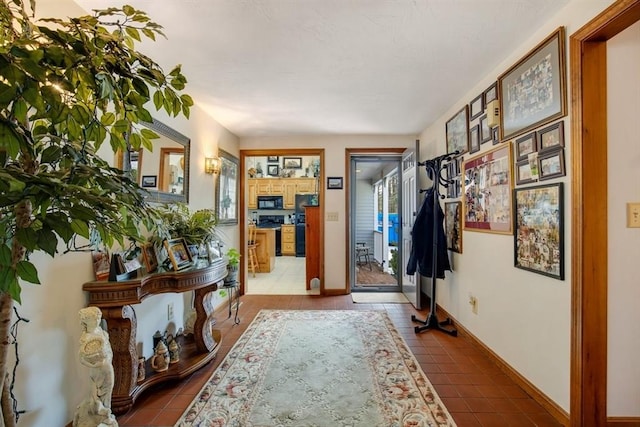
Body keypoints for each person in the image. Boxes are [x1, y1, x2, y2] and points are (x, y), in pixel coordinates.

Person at [73, 307, 118, 427]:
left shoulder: (100, 331)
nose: (97, 320)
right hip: (98, 369)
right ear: (86, 321)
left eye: (98, 317)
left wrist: (107, 360)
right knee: (100, 392)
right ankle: (103, 414)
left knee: (108, 389)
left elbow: (108, 348)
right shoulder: (86, 338)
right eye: (94, 318)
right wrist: (96, 364)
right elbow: (82, 358)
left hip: (108, 366)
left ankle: (105, 412)